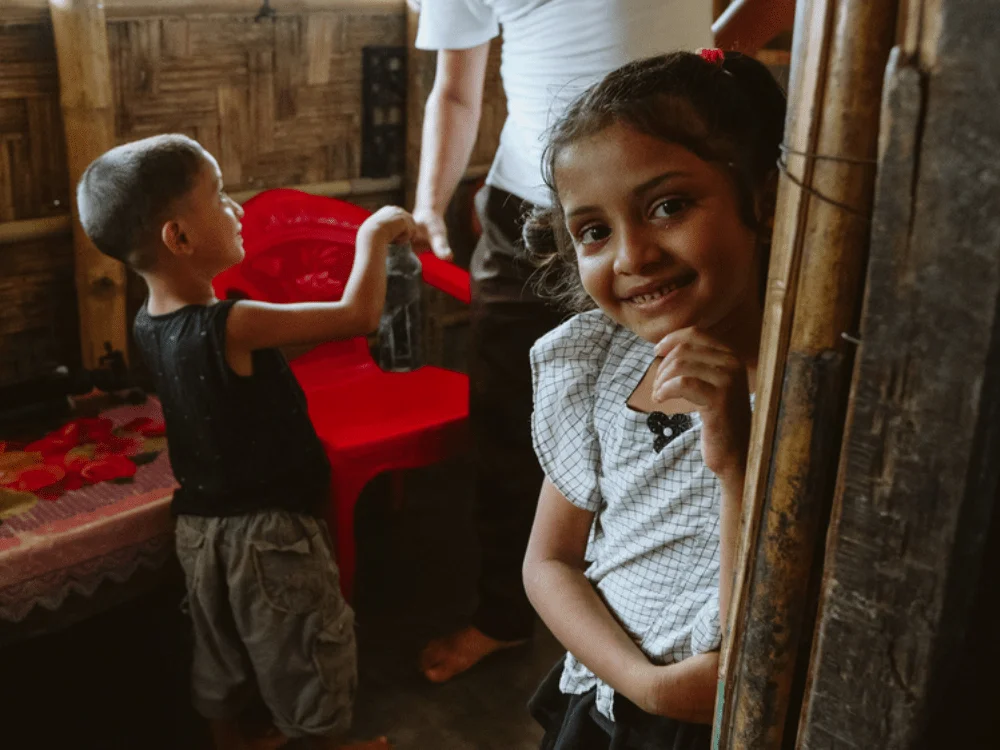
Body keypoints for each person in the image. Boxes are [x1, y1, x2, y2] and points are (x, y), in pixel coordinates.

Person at [410, 0, 715, 686]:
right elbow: (456, 88)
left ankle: (663, 620)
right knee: (509, 415)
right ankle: (505, 613)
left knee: (683, 407)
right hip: (531, 208)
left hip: (676, 197)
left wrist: (698, 74)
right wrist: (431, 201)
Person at [75, 133, 405, 750]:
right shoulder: (235, 323)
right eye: (221, 196)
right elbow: (358, 315)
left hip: (200, 529)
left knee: (219, 654)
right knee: (311, 652)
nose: (238, 210)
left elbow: (248, 359)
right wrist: (374, 233)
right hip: (271, 533)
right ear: (179, 238)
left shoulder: (152, 324)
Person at [520, 49, 786, 748]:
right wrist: (643, 682)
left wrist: (735, 462)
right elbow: (548, 562)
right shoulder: (600, 366)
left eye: (668, 206)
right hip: (610, 705)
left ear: (762, 197)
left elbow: (753, 633)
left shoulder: (810, 390)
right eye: (594, 231)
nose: (633, 256)